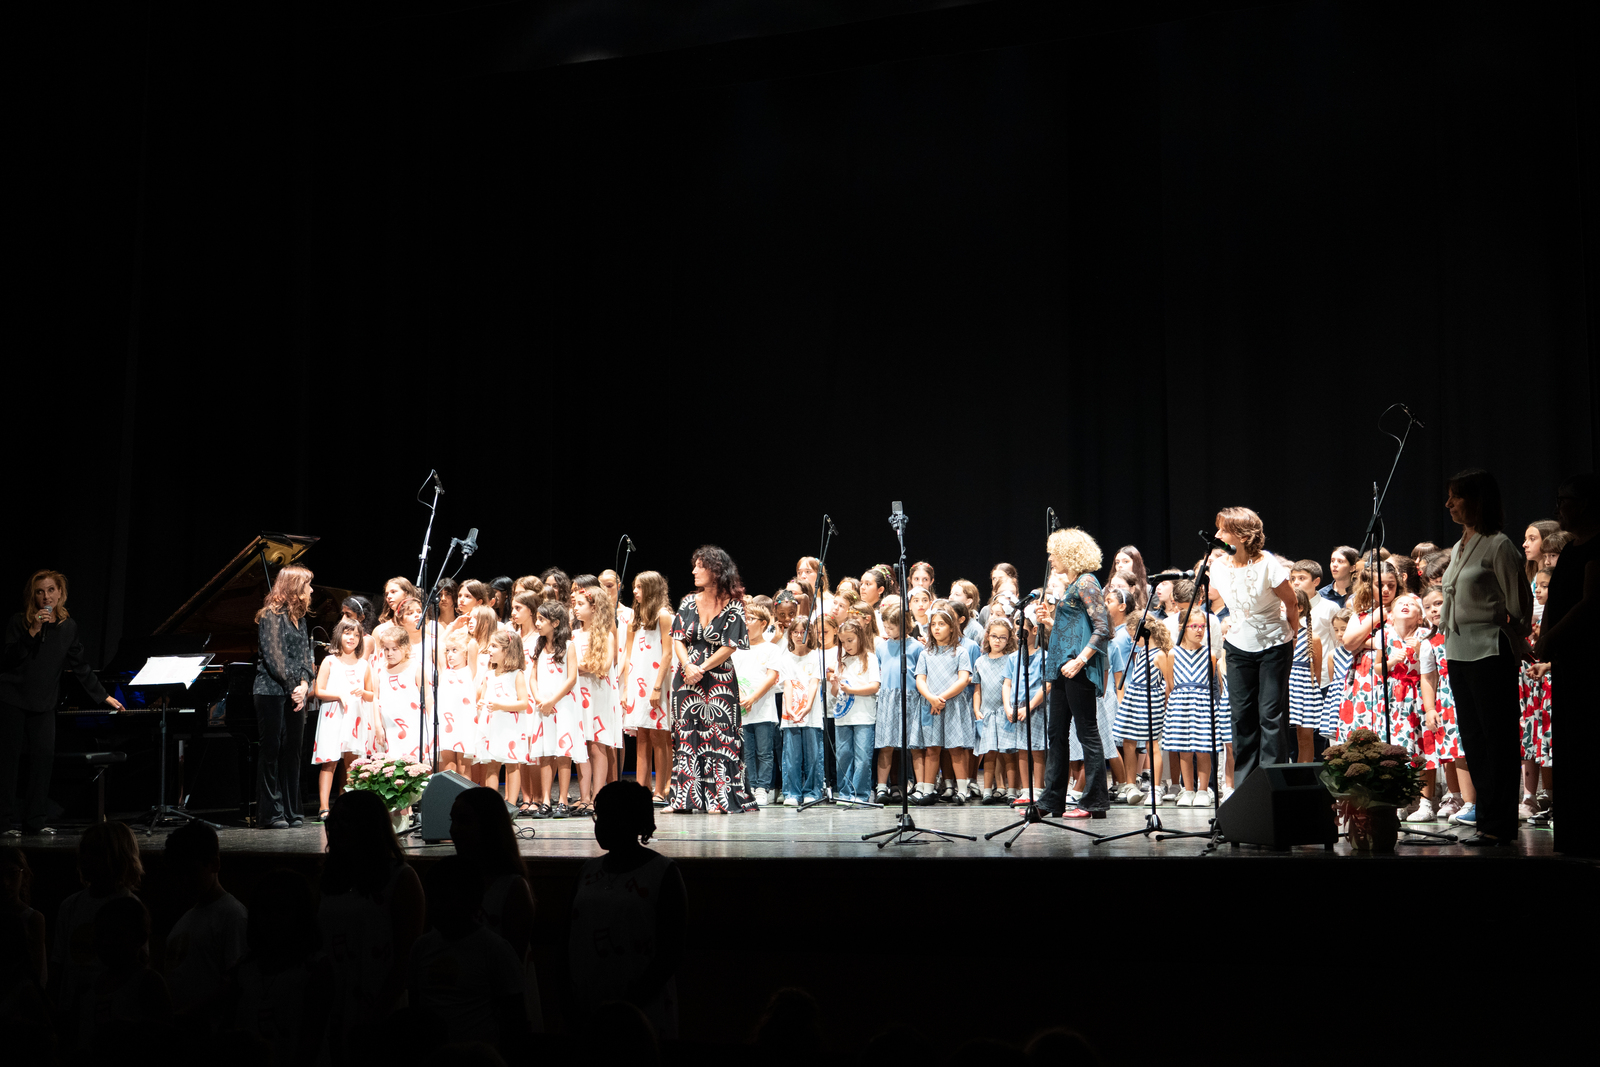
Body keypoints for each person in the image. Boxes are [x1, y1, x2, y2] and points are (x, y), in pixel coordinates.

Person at [1439, 468, 1533, 847]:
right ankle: (1486, 819)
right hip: (1458, 652)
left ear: (1478, 501)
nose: (1449, 504)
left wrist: (1514, 636)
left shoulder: (1499, 545)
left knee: (1497, 740)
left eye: (1457, 496)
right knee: (1475, 740)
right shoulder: (1460, 545)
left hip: (1489, 650)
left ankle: (1500, 825)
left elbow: (1520, 605)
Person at [1, 570, 123, 836]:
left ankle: (35, 820)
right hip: (12, 698)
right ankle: (3, 822)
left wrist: (103, 696)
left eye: (51, 590)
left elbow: (80, 666)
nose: (46, 597)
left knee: (43, 762)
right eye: (40, 591)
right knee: (8, 763)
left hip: (44, 702)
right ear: (33, 595)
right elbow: (10, 658)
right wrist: (33, 630)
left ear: (60, 594)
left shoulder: (68, 627)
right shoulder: (19, 621)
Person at [569, 780, 686, 1039]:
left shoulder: (662, 873)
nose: (599, 825)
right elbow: (567, 939)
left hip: (643, 1009)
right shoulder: (588, 871)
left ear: (631, 821)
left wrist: (629, 1003)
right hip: (588, 1005)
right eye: (598, 817)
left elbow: (671, 950)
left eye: (608, 817)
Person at [318, 790, 424, 1059]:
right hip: (334, 1000)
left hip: (380, 1001)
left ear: (367, 825)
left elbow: (407, 956)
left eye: (345, 820)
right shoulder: (331, 876)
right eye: (333, 821)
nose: (335, 828)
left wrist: (376, 1015)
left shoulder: (400, 878)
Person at [1210, 507, 1299, 785]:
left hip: (1273, 645)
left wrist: (1293, 634)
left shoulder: (1268, 564)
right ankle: (1246, 786)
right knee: (1241, 716)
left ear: (1243, 536)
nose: (1217, 535)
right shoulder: (1218, 566)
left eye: (1224, 530)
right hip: (1238, 646)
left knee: (1270, 714)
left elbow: (1291, 602)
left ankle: (1271, 783)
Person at [1535, 472, 1598, 855]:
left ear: (1586, 504)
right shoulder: (1573, 547)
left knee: (1587, 743)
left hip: (1588, 660)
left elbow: (1589, 603)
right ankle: (1574, 834)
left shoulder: (1597, 547)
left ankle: (1590, 835)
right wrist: (1545, 638)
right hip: (1566, 661)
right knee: (1570, 745)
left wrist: (1551, 637)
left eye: (1565, 500)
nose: (1559, 507)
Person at [668, 546, 754, 814]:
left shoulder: (733, 604)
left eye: (700, 566)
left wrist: (701, 668)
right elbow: (677, 638)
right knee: (687, 734)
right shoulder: (687, 602)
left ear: (716, 571)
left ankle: (721, 797)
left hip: (718, 679)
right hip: (687, 677)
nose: (694, 571)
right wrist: (688, 666)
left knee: (720, 735)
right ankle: (684, 798)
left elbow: (730, 645)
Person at [1036, 528, 1113, 818]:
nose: (1050, 559)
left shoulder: (1087, 582)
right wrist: (1050, 622)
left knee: (1086, 732)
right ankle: (1051, 800)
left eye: (1054, 553)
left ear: (1069, 554)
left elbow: (1102, 629)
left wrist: (1080, 661)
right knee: (1056, 732)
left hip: (1077, 668)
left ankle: (1094, 802)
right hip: (1062, 667)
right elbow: (1073, 628)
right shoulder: (1073, 585)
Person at [161, 820, 248, 1016]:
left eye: (190, 872)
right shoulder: (185, 920)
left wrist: (187, 1015)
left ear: (214, 864)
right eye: (178, 874)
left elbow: (236, 985)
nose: (184, 881)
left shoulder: (232, 916)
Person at [253, 564, 317, 829]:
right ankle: (271, 813)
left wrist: (304, 684)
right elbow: (275, 659)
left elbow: (305, 658)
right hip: (270, 691)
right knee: (271, 750)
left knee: (293, 752)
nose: (311, 590)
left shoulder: (299, 618)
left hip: (294, 692)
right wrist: (295, 688)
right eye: (308, 585)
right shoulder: (270, 615)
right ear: (295, 587)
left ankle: (292, 811)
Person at [620, 571, 675, 805]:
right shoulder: (635, 619)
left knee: (659, 735)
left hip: (656, 681)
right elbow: (628, 655)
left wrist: (657, 687)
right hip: (637, 681)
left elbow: (667, 654)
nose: (635, 591)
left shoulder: (664, 616)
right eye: (635, 586)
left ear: (652, 589)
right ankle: (642, 790)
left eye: (640, 587)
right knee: (642, 735)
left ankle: (661, 790)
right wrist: (626, 688)